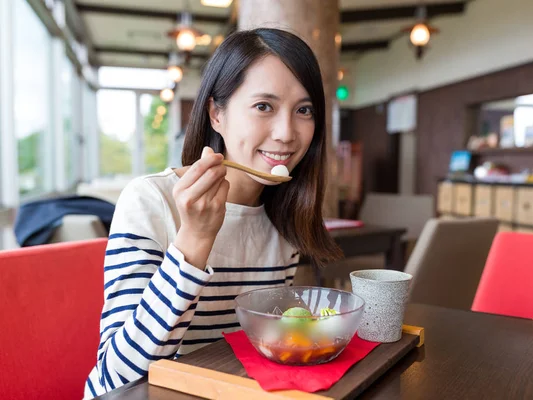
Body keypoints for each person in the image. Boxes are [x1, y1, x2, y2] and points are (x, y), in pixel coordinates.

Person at [84, 28, 342, 397]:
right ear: (216, 114)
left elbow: (257, 354)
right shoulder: (149, 201)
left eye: (304, 110)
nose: (287, 133)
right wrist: (195, 239)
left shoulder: (284, 216)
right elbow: (116, 378)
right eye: (263, 106)